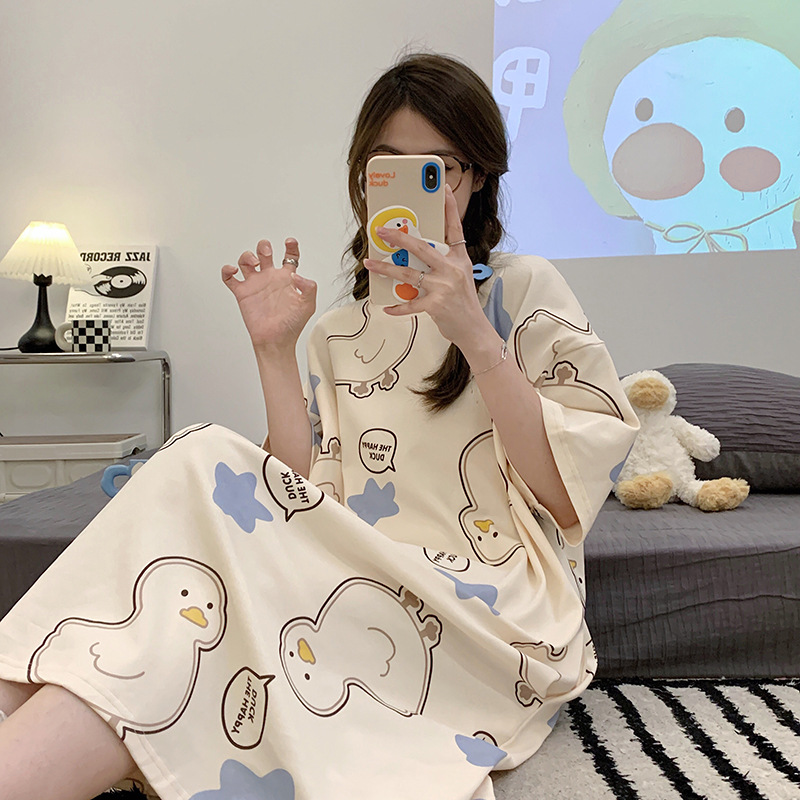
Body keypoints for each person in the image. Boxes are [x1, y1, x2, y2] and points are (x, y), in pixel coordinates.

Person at [0, 53, 638, 800]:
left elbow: (567, 494)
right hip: (340, 581)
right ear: (363, 179)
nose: (415, 189)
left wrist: (474, 333)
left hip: (486, 614)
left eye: (439, 169)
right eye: (387, 166)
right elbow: (294, 495)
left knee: (197, 459)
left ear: (476, 180)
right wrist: (275, 352)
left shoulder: (525, 290)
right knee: (166, 640)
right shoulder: (337, 332)